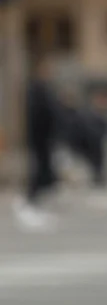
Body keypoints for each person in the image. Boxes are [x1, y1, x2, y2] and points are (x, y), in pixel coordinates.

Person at [13, 53, 60, 230]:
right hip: (39, 137)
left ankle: (35, 201)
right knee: (38, 168)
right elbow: (37, 115)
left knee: (43, 169)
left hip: (44, 137)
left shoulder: (43, 89)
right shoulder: (35, 89)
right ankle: (30, 200)